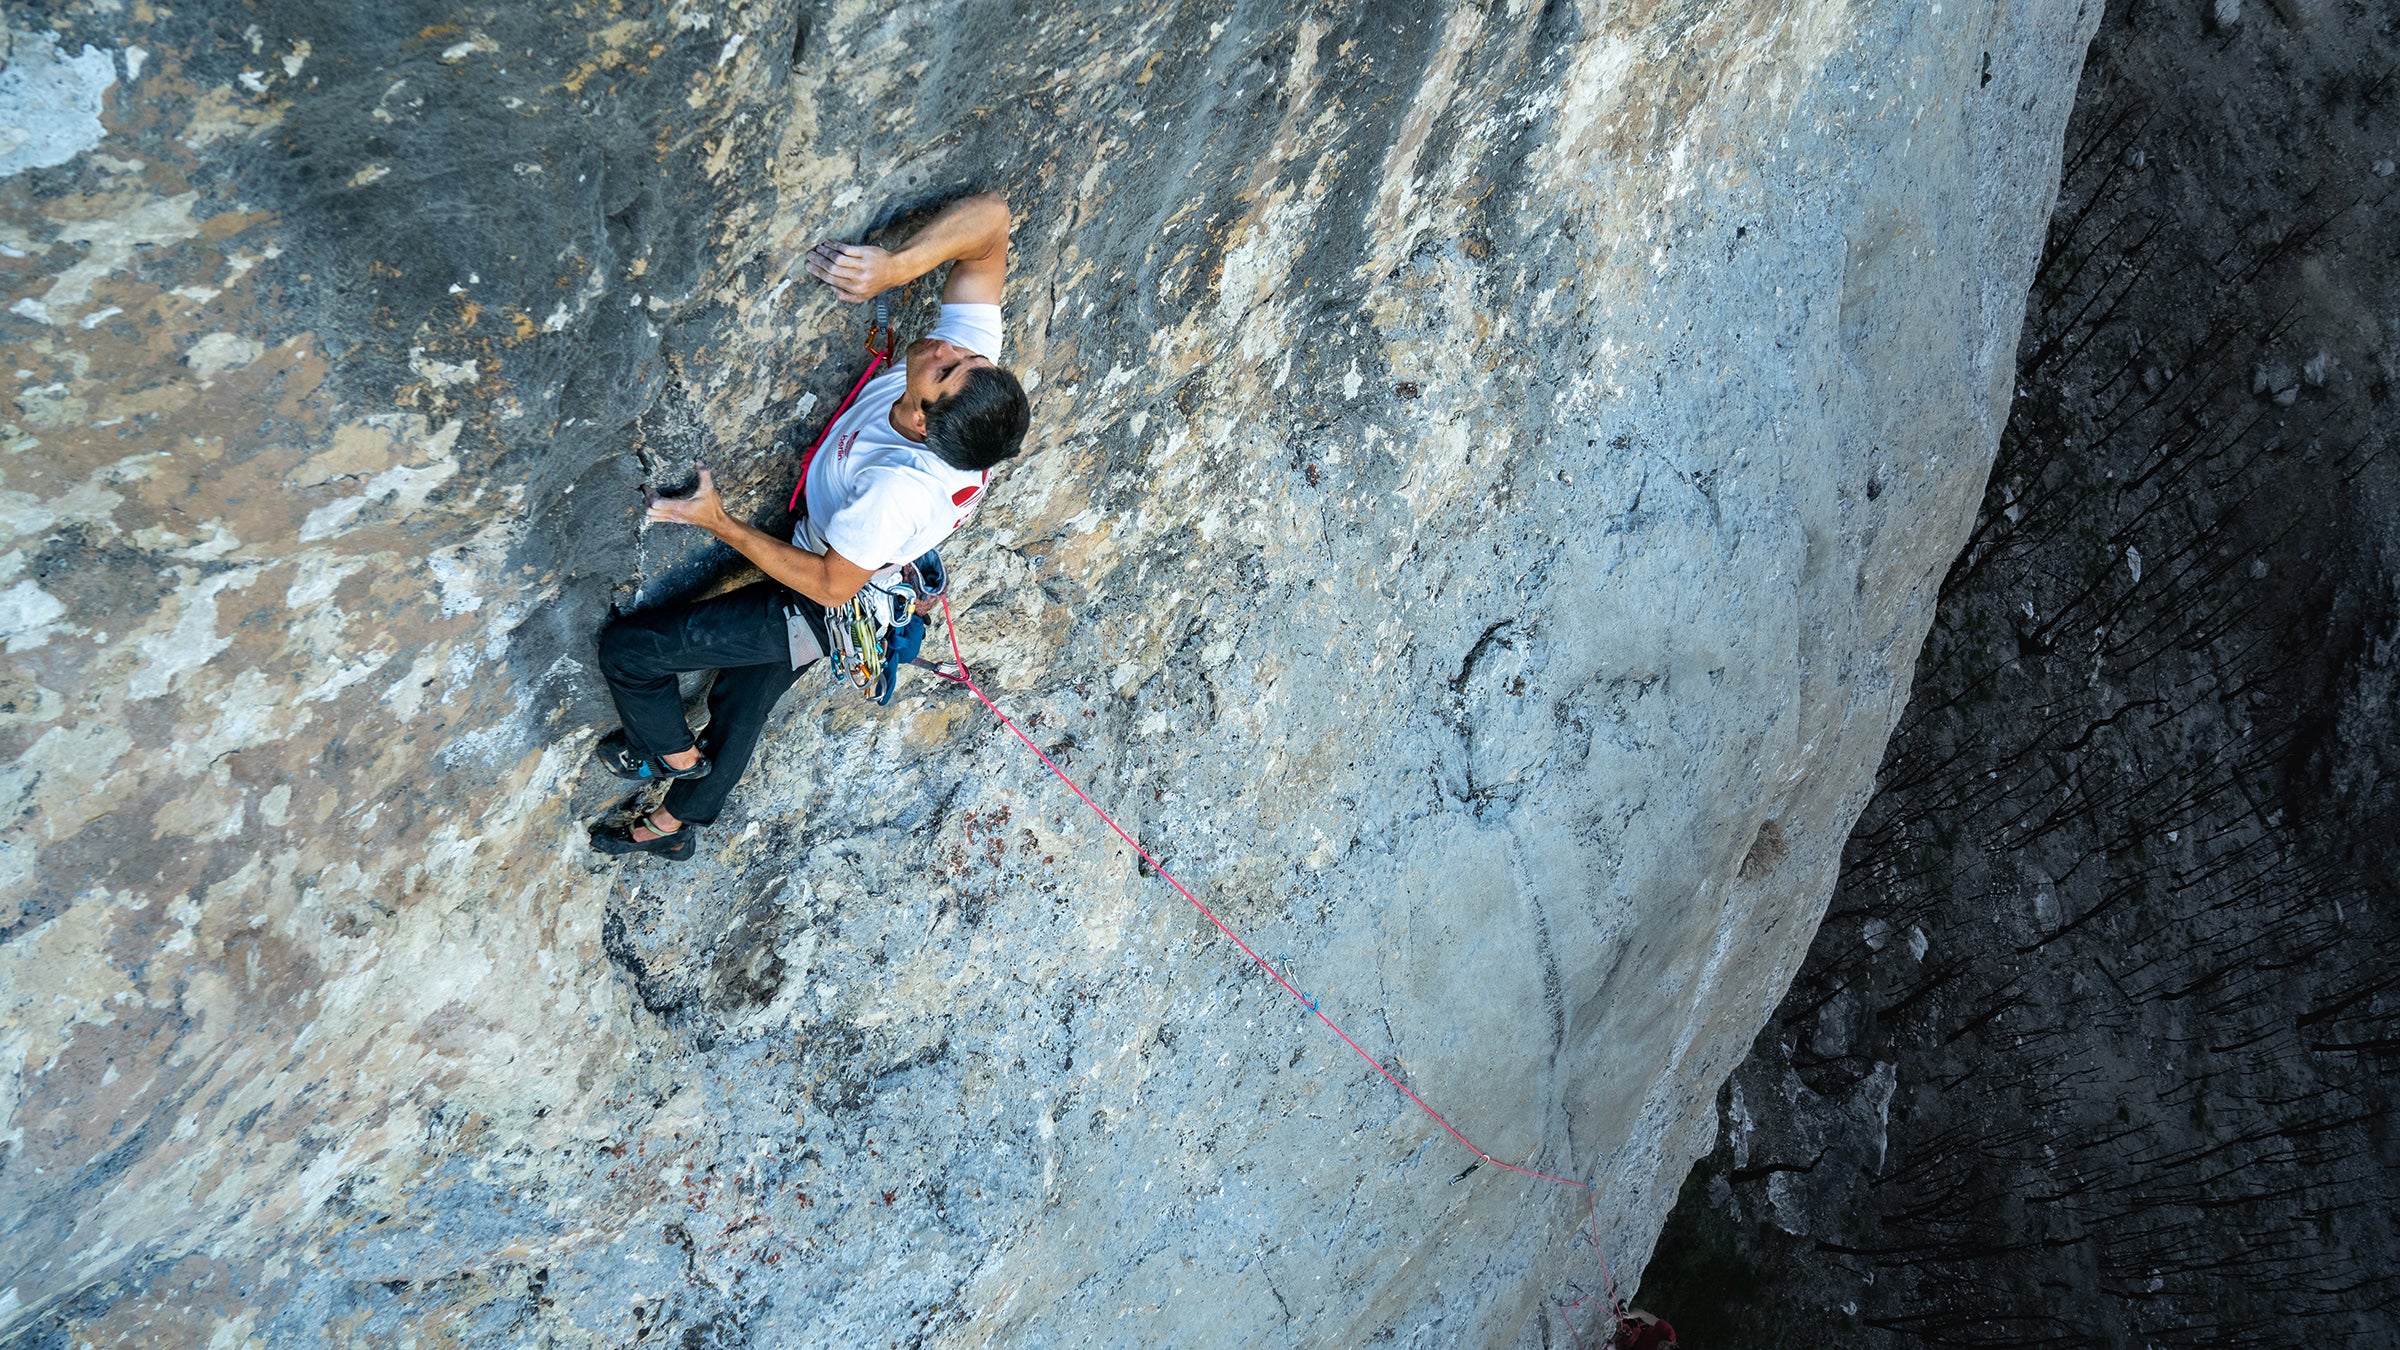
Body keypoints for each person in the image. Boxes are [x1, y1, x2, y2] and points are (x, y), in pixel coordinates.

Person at [586, 191, 1029, 860]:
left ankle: (667, 757)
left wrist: (720, 523)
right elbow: (992, 223)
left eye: (943, 369)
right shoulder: (966, 393)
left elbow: (826, 586)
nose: (945, 347)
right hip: (847, 584)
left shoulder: (899, 490)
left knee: (631, 652)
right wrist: (896, 269)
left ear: (919, 424)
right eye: (967, 359)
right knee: (741, 703)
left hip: (823, 601)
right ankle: (676, 827)